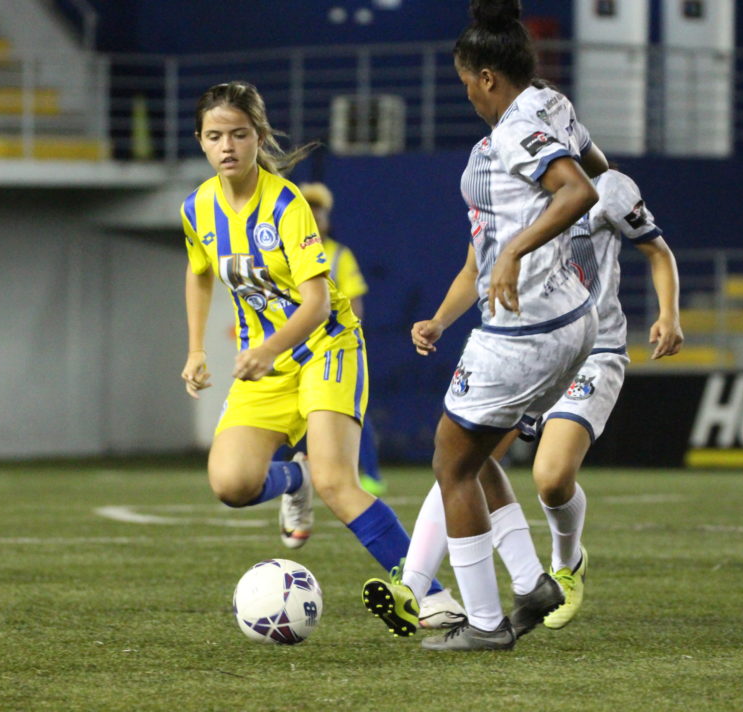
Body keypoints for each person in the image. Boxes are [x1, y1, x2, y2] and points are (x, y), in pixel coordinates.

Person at [363, 0, 607, 651]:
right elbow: (600, 171)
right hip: (568, 317)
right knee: (474, 452)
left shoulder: (514, 130)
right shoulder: (551, 103)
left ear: (489, 77)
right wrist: (445, 316)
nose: (466, 92)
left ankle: (485, 623)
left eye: (467, 80)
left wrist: (521, 251)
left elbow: (579, 189)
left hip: (525, 328)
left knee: (451, 462)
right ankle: (531, 584)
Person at [179, 81, 463, 624]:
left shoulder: (287, 205)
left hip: (326, 347)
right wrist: (195, 350)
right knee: (231, 485)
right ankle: (296, 478)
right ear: (200, 141)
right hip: (269, 363)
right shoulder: (197, 208)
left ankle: (433, 599)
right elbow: (197, 273)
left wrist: (268, 348)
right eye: (214, 136)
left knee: (339, 482)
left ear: (258, 136)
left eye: (239, 134)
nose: (227, 146)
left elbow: (315, 303)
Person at [378, 166, 684, 643]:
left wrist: (669, 315)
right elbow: (475, 269)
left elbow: (657, 250)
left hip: (593, 348)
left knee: (551, 478)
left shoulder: (608, 186)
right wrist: (439, 320)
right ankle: (415, 586)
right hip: (527, 349)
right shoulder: (507, 188)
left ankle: (566, 564)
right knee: (466, 461)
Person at [297, 181, 387, 497]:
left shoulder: (338, 255)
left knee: (352, 411)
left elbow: (354, 299)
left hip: (332, 346)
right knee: (288, 413)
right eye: (310, 214)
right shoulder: (287, 252)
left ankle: (371, 474)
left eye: (320, 215)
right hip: (295, 346)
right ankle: (278, 472)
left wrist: (352, 336)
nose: (316, 220)